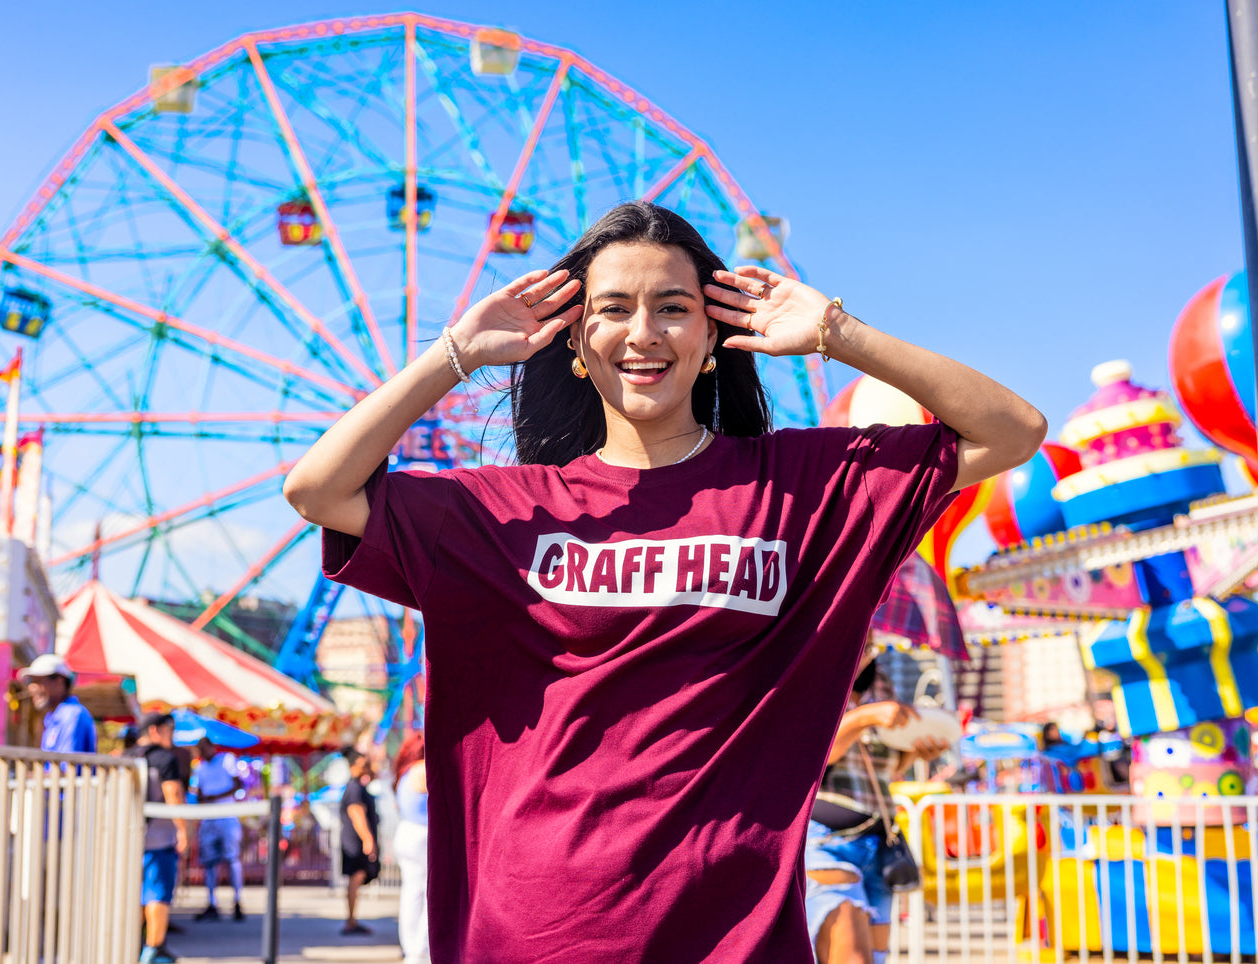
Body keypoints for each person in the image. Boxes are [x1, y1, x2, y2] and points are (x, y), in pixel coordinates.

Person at [283, 200, 1045, 961]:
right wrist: (457, 352)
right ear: (575, 338)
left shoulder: (802, 488)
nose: (642, 332)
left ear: (713, 335)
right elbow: (317, 489)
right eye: (612, 308)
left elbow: (1011, 430)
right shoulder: (504, 512)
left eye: (672, 308)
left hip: (733, 934)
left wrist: (835, 335)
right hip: (534, 923)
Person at [806, 655, 952, 964]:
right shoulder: (814, 666)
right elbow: (816, 756)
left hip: (878, 843)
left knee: (875, 958)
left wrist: (919, 749)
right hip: (828, 843)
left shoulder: (879, 677)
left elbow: (888, 764)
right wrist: (865, 717)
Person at [136, 711, 189, 964]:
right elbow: (173, 795)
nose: (173, 735)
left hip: (128, 840)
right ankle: (154, 948)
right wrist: (183, 830)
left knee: (134, 895)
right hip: (158, 840)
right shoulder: (165, 759)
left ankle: (134, 946)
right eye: (170, 729)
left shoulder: (125, 757)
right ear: (156, 730)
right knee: (157, 894)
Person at [192, 738, 245, 922]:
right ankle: (212, 902)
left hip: (227, 816)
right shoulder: (200, 768)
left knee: (232, 860)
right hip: (209, 819)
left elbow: (239, 784)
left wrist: (216, 797)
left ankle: (237, 901)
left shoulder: (227, 760)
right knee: (209, 862)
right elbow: (198, 793)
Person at [393, 733, 430, 963]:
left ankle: (410, 948)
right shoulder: (423, 769)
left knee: (411, 893)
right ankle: (420, 949)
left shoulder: (404, 773)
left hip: (405, 831)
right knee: (428, 894)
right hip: (421, 833)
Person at [338, 747, 380, 936]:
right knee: (356, 877)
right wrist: (368, 839)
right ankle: (351, 920)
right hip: (354, 843)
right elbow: (356, 813)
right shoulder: (354, 787)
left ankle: (352, 919)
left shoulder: (357, 785)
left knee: (357, 877)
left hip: (354, 841)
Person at [23, 653, 96, 754]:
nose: (32, 688)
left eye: (39, 682)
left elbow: (67, 767)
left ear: (59, 681)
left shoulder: (72, 715)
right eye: (32, 682)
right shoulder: (53, 716)